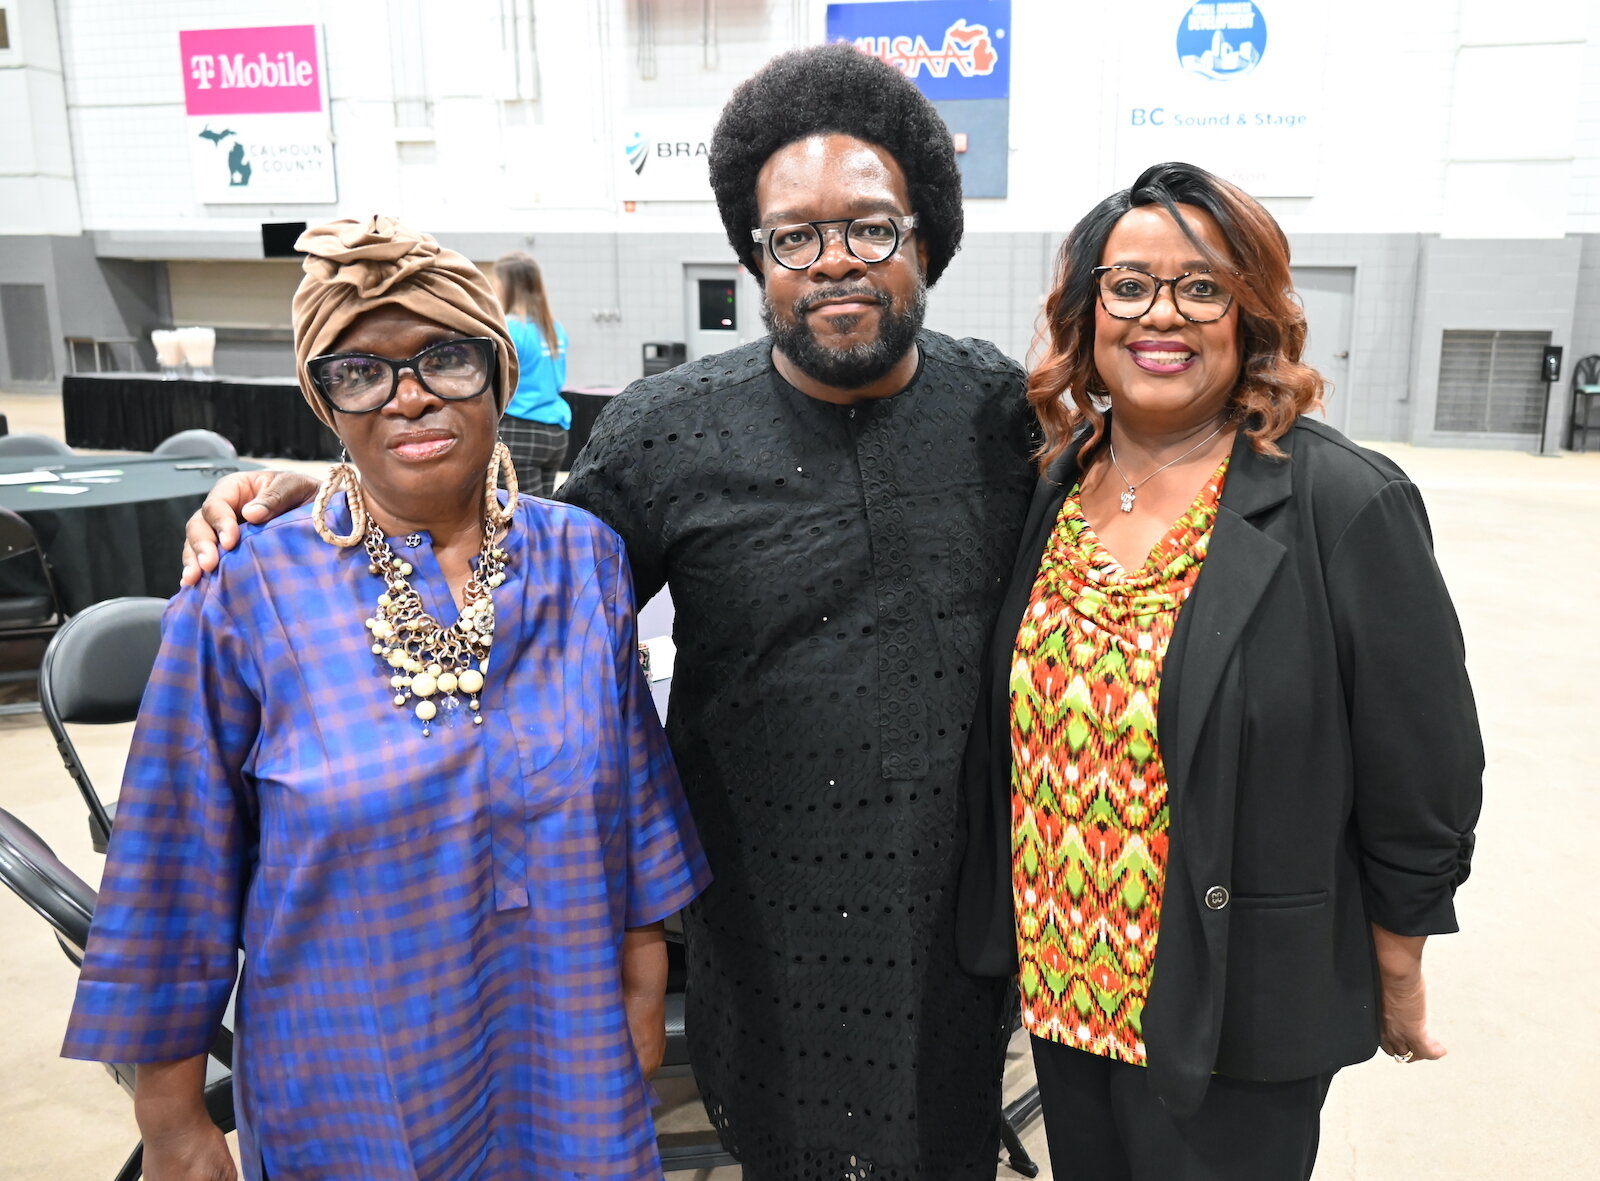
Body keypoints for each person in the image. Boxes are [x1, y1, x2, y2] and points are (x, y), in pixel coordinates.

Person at [179, 46, 1037, 1179]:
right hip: (758, 929)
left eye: (870, 228)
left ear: (926, 238)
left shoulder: (1011, 418)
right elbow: (513, 570)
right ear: (754, 255)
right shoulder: (667, 430)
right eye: (793, 237)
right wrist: (333, 488)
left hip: (960, 929)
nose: (834, 261)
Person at [65, 216, 709, 1181]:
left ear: (498, 368)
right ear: (324, 402)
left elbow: (632, 792)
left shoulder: (585, 561)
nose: (409, 397)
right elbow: (169, 864)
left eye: (444, 358)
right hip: (351, 1079)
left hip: (567, 1049)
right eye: (359, 371)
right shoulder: (249, 590)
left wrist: (640, 981)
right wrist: (173, 1118)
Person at [954, 161, 1484, 1179]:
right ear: (1086, 309)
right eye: (1128, 284)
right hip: (1064, 980)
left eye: (1201, 287)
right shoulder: (1057, 480)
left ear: (1249, 313)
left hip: (1237, 997)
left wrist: (1400, 951)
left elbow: (1424, 760)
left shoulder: (1341, 500)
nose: (1164, 314)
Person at [492, 251, 571, 497]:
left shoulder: (509, 330)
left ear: (507, 287)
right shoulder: (554, 329)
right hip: (555, 434)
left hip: (520, 432)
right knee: (542, 513)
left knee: (518, 517)